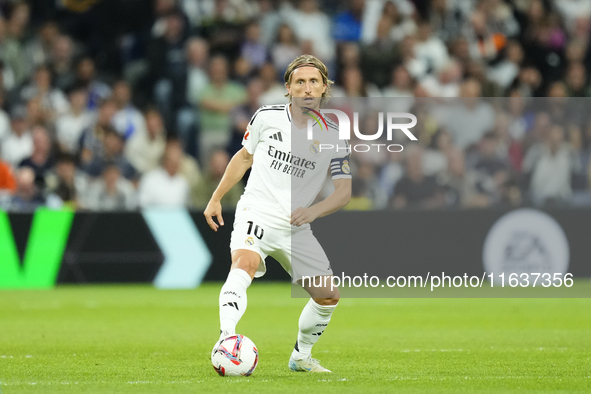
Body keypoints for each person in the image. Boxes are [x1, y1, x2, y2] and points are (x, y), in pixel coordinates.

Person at [204, 54, 352, 373]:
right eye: (300, 82)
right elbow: (244, 158)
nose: (307, 88)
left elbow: (343, 192)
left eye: (314, 82)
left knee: (328, 296)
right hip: (257, 210)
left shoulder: (333, 134)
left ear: (325, 87)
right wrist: (216, 197)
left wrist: (313, 212)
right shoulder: (266, 117)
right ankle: (226, 338)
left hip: (296, 225)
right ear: (288, 88)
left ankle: (301, 357)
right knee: (245, 263)